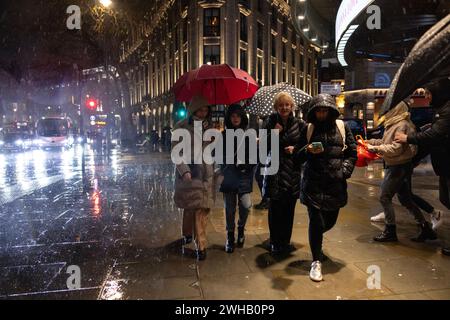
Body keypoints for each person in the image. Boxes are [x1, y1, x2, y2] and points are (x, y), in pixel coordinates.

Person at [296, 93, 357, 282]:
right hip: (313, 184)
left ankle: (316, 239)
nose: (321, 114)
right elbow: (297, 157)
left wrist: (344, 170)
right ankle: (316, 261)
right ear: (314, 112)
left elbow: (352, 152)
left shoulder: (342, 127)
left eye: (325, 110)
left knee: (329, 222)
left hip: (335, 185)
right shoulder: (308, 129)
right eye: (318, 111)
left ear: (331, 111)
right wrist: (307, 150)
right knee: (316, 221)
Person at [367, 101, 437, 243]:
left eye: (390, 108)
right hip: (397, 165)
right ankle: (425, 228)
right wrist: (371, 142)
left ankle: (390, 231)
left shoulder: (402, 125)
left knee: (384, 197)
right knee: (405, 199)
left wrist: (375, 149)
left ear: (397, 109)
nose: (387, 110)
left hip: (398, 166)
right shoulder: (394, 123)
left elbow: (395, 149)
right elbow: (386, 142)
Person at [395, 78, 450, 256]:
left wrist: (407, 139)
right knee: (445, 199)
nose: (426, 96)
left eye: (429, 93)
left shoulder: (447, 110)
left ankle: (432, 218)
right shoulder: (440, 110)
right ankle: (434, 215)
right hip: (444, 166)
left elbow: (435, 135)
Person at [370, 125, 443, 231]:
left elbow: (399, 148)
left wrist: (377, 148)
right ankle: (425, 226)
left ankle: (433, 214)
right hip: (398, 164)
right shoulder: (402, 124)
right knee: (402, 196)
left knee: (399, 196)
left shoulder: (405, 125)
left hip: (401, 165)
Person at [262, 92, 306, 256]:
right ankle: (275, 241)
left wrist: (295, 149)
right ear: (276, 107)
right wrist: (274, 133)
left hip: (292, 172)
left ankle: (285, 241)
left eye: (287, 104)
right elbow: (262, 147)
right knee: (275, 210)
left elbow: (305, 146)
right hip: (274, 172)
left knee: (288, 209)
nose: (284, 108)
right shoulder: (270, 122)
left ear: (292, 106)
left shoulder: (300, 124)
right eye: (281, 105)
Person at [173, 95, 214, 261]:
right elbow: (176, 153)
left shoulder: (209, 127)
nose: (203, 113)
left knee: (201, 209)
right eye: (200, 109)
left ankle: (191, 236)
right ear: (193, 110)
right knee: (193, 207)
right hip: (191, 173)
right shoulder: (180, 127)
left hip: (207, 174)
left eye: (206, 110)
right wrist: (184, 171)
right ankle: (200, 245)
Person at [219, 104, 256, 253]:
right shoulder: (223, 136)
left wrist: (245, 165)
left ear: (242, 118)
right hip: (228, 176)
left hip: (244, 177)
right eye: (233, 116)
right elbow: (218, 155)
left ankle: (241, 228)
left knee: (246, 205)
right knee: (229, 209)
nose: (235, 119)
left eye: (238, 116)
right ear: (229, 118)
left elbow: (254, 158)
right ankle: (230, 237)